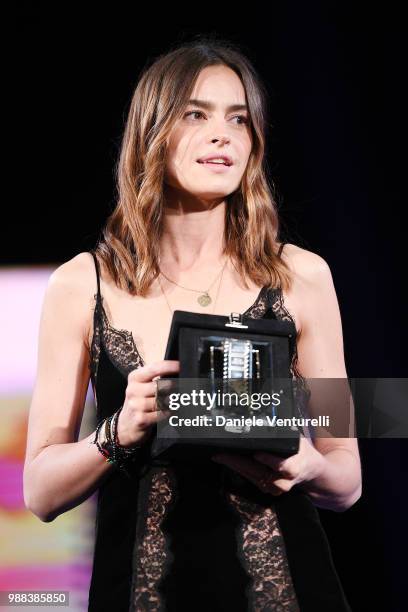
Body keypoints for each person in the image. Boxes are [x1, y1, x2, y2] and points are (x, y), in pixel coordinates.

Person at [23, 37, 362, 611]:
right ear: (152, 133)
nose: (222, 134)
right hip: (139, 592)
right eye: (195, 114)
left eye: (239, 118)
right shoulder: (83, 284)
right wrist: (118, 431)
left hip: (288, 590)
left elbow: (347, 474)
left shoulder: (303, 274)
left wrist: (307, 465)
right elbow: (39, 490)